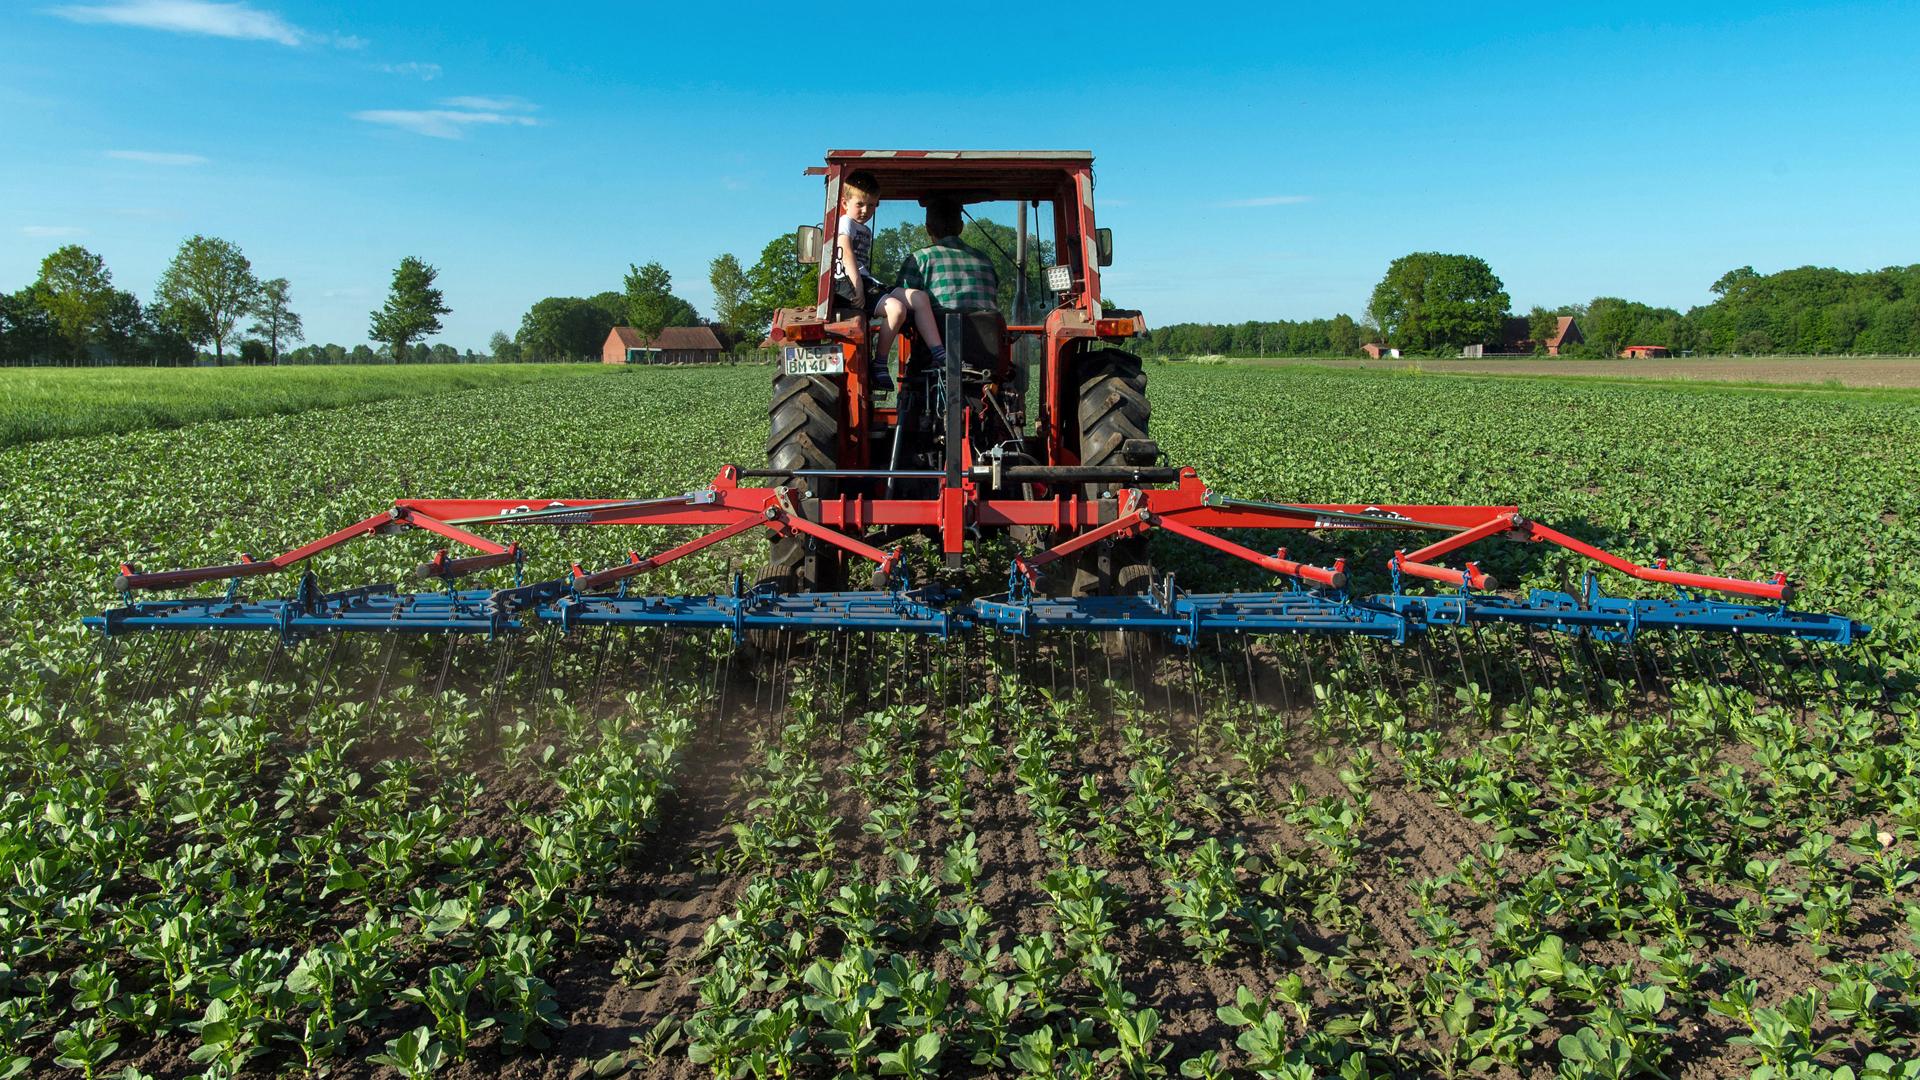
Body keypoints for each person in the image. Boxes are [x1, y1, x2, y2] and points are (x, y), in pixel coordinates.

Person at [832, 170, 947, 386]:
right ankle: (880, 362)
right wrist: (856, 287)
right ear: (844, 203)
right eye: (861, 204)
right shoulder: (845, 222)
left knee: (919, 298)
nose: (867, 210)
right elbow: (847, 255)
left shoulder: (862, 228)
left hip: (867, 283)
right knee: (897, 309)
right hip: (848, 284)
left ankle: (939, 354)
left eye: (873, 205)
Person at [898, 198, 1001, 315]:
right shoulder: (985, 260)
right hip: (987, 332)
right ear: (961, 227)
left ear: (928, 229)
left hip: (937, 333)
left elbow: (901, 302)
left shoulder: (919, 259)